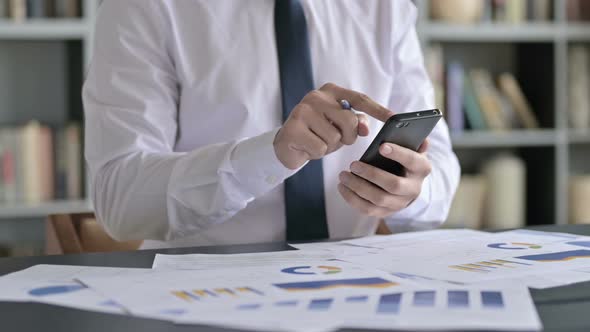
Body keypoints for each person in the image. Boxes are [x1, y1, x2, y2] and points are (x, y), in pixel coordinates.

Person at [83, 0, 460, 249]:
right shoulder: (142, 6)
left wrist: (409, 193)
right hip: (201, 292)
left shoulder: (387, 8)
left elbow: (437, 169)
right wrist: (270, 156)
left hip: (355, 288)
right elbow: (121, 200)